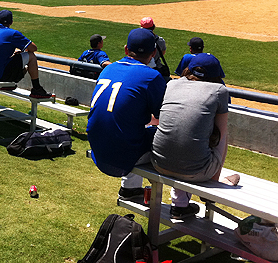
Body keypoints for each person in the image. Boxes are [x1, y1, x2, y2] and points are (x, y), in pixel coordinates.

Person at [151, 53, 239, 219]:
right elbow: (221, 133)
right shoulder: (219, 90)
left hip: (158, 163)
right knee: (218, 136)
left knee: (186, 138)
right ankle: (212, 183)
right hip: (197, 171)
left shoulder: (172, 84)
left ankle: (180, 205)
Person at [87, 28, 166, 201]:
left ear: (125, 49)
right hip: (120, 154)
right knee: (168, 135)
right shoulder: (151, 76)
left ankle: (130, 189)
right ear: (153, 53)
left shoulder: (108, 69)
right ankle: (180, 202)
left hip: (97, 147)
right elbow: (166, 119)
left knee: (132, 127)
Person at [0, 9, 52, 98]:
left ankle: (5, 84)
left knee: (12, 58)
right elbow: (33, 48)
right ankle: (37, 88)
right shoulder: (12, 33)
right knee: (31, 56)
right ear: (11, 22)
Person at [140, 17, 170, 82]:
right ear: (153, 27)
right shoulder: (160, 40)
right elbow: (162, 53)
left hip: (139, 68)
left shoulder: (137, 40)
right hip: (156, 68)